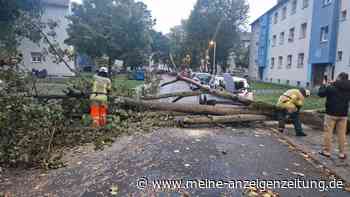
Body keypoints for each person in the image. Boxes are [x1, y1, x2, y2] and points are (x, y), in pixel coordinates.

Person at [318, 72, 350, 160]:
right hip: (343, 114)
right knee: (342, 134)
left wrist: (324, 85)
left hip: (330, 113)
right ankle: (342, 153)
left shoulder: (331, 87)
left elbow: (321, 94)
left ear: (339, 78)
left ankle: (326, 151)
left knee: (328, 132)